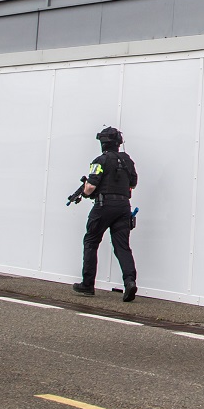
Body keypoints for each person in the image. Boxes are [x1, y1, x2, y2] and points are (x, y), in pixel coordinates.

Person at [72, 126, 137, 301]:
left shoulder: (99, 161)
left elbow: (91, 186)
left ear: (103, 143)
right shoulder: (127, 161)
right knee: (122, 246)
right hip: (124, 207)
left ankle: (87, 284)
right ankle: (130, 282)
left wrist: (85, 192)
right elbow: (134, 182)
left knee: (91, 241)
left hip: (104, 205)